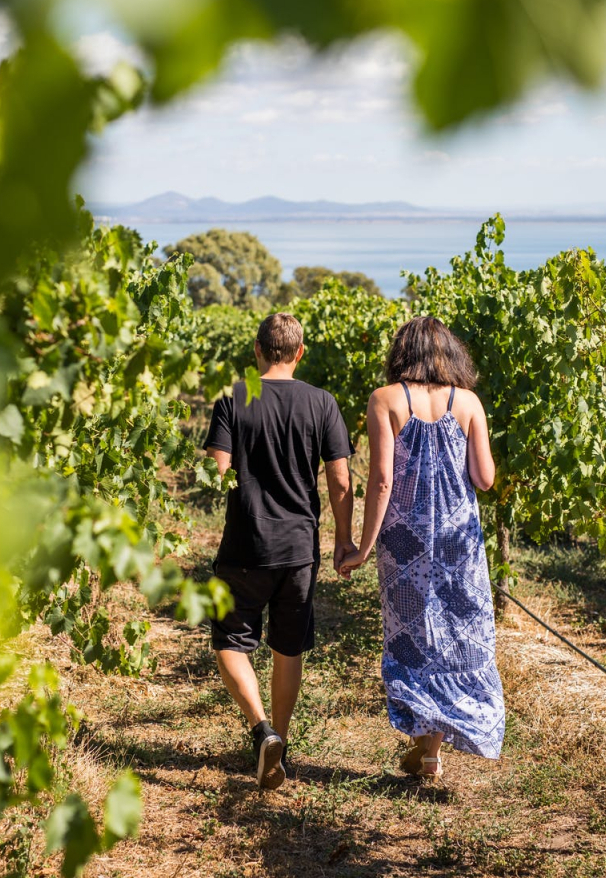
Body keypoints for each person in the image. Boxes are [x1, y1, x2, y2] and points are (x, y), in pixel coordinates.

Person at [337, 316, 505, 778]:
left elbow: (382, 480)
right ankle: (431, 752)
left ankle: (425, 747)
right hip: (458, 541)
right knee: (456, 634)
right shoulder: (468, 402)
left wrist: (364, 545)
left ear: (401, 353)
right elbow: (485, 480)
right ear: (450, 354)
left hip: (403, 544)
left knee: (414, 637)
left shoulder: (385, 400)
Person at [204, 312, 355, 790]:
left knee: (230, 642)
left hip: (245, 543)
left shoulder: (233, 396)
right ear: (300, 352)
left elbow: (218, 470)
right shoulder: (323, 402)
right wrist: (344, 539)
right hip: (298, 548)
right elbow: (339, 478)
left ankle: (260, 729)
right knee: (288, 648)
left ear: (256, 350)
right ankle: (280, 745)